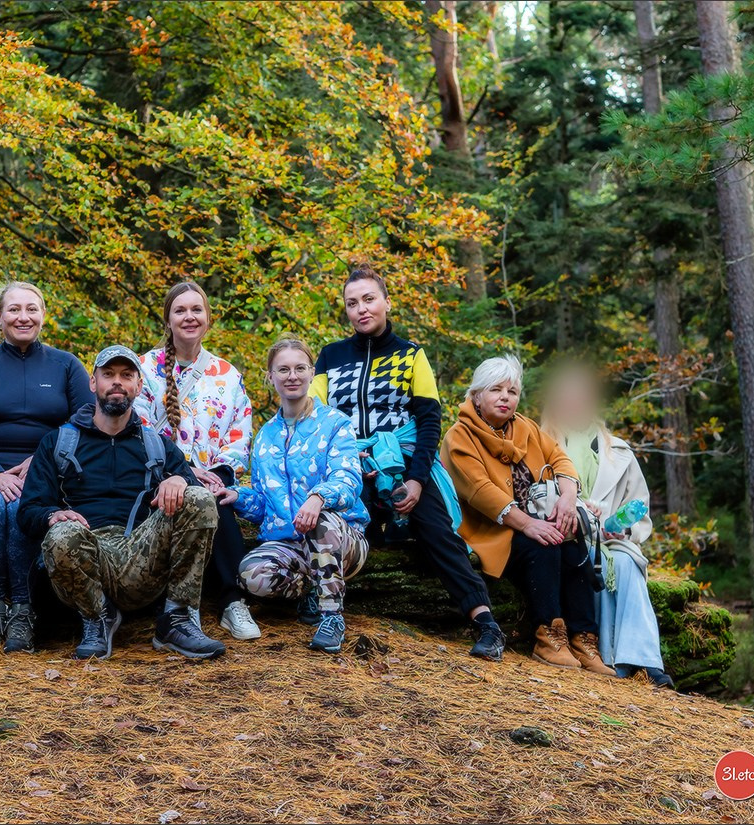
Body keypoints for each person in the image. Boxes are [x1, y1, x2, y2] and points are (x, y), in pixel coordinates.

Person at [310, 265, 506, 661]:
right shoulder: (330, 357)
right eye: (352, 303)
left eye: (369, 299)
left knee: (435, 527)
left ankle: (486, 623)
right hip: (348, 463)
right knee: (329, 520)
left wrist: (417, 481)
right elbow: (316, 417)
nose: (361, 309)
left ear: (385, 302)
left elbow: (430, 421)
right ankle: (319, 606)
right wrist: (346, 460)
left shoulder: (411, 354)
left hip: (403, 462)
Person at [18, 346, 226, 661]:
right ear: (93, 383)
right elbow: (28, 513)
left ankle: (176, 619)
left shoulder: (156, 444)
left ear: (138, 386)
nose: (117, 382)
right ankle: (97, 618)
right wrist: (53, 514)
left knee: (197, 497)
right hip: (86, 557)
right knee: (61, 534)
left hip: (141, 554)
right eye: (109, 374)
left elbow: (196, 493)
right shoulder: (58, 442)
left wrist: (181, 480)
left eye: (126, 375)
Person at [440, 354, 615, 675]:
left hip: (535, 518)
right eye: (496, 390)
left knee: (571, 539)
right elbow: (480, 492)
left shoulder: (525, 427)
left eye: (512, 391)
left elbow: (559, 458)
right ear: (476, 395)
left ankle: (582, 638)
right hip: (493, 531)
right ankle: (548, 636)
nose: (505, 398)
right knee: (544, 544)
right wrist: (530, 525)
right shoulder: (459, 437)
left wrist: (568, 497)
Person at [0, 281, 92, 654]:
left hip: (46, 472)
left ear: (43, 315)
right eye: (13, 309)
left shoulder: (66, 365)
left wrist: (41, 459)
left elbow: (84, 417)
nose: (23, 316)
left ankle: (24, 609)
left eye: (31, 308)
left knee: (21, 507)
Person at [219, 338, 370, 654]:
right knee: (251, 574)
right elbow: (266, 504)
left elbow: (349, 481)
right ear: (270, 376)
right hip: (292, 547)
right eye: (283, 369)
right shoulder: (265, 437)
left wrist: (318, 497)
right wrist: (237, 497)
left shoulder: (335, 423)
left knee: (321, 520)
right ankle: (312, 589)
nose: (292, 376)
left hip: (342, 540)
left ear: (312, 372)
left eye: (300, 368)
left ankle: (332, 616)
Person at [135, 282, 258, 640]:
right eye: (180, 310)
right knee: (196, 497)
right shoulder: (144, 369)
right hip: (159, 480)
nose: (189, 317)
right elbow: (138, 429)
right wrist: (184, 472)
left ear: (207, 318)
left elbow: (240, 430)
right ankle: (183, 607)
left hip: (213, 478)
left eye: (196, 310)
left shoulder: (226, 374)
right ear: (168, 319)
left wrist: (218, 473)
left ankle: (233, 602)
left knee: (215, 501)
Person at [541, 362, 674, 687]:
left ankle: (644, 661)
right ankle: (605, 655)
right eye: (567, 399)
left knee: (627, 563)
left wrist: (622, 527)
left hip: (612, 539)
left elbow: (639, 509)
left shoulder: (618, 450)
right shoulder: (541, 444)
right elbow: (533, 495)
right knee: (589, 563)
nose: (575, 404)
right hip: (567, 536)